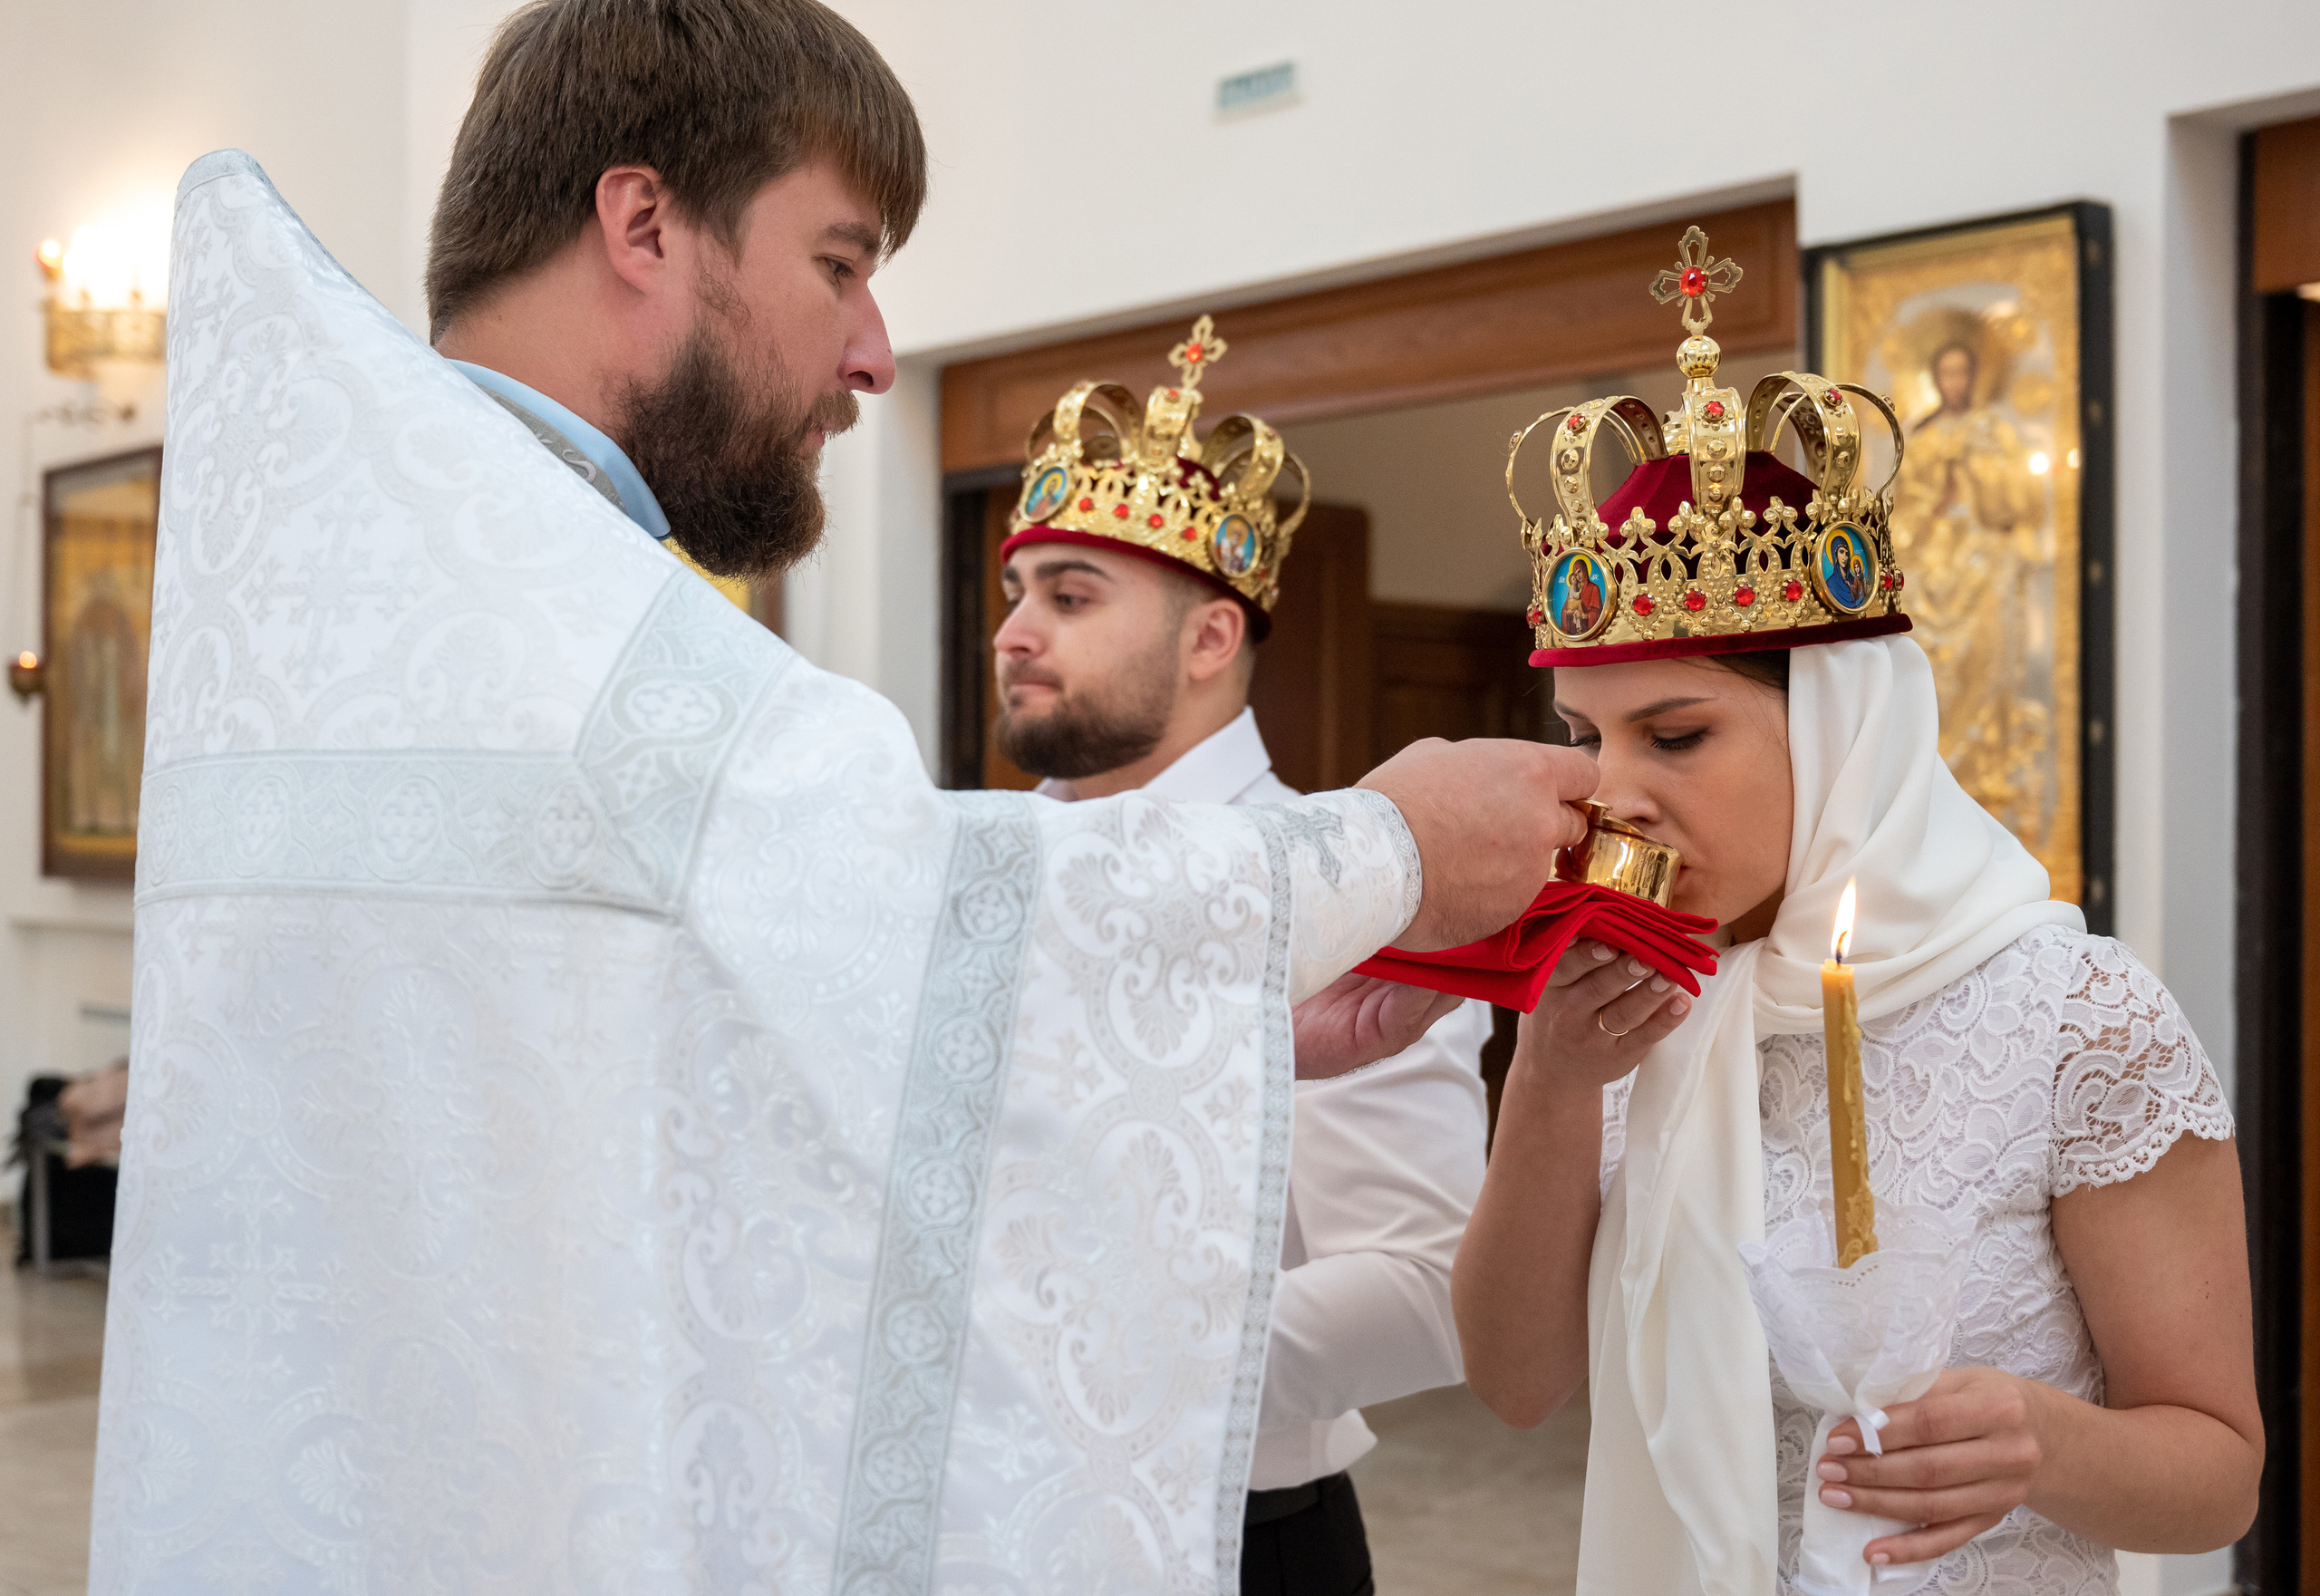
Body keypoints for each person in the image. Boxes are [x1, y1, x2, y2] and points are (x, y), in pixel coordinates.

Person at [92, 5, 1598, 1590]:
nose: (875, 348)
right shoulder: (568, 632)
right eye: (838, 262)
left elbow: (693, 1055)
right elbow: (911, 914)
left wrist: (1217, 1014)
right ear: (645, 223)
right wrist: (1393, 844)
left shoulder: (365, 582)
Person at [1452, 242, 2260, 1594]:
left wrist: (2039, 1442)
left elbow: (2218, 1475)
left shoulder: (2074, 1015)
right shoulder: (1637, 996)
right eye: (1590, 738)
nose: (1617, 797)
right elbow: (1516, 1383)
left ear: (1846, 727)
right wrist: (1546, 1079)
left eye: (1678, 734)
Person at [991, 328, 1491, 1596]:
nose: (1017, 629)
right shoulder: (983, 870)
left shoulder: (1344, 889)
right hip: (983, 1518)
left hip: (1234, 1535)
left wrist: (1099, 1354)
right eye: (1017, 591)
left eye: (1071, 594)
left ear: (1212, 638)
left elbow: (1434, 1284)